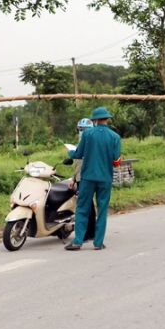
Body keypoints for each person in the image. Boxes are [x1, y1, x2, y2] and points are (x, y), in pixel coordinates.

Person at [65, 107, 121, 251]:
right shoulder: (115, 137)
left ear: (95, 120)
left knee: (82, 208)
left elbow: (78, 154)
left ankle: (77, 241)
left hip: (88, 178)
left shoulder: (87, 134)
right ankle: (98, 243)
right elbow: (116, 161)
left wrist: (70, 152)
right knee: (102, 210)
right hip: (105, 179)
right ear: (107, 119)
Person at [69, 118, 94, 191]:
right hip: (79, 178)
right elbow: (78, 164)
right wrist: (73, 179)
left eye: (84, 129)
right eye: (80, 129)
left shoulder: (94, 144)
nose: (82, 132)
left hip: (88, 178)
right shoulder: (79, 145)